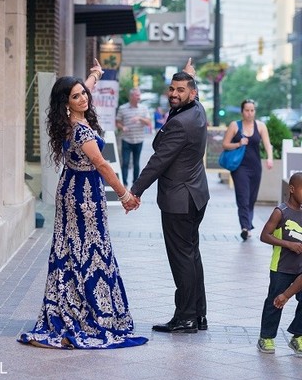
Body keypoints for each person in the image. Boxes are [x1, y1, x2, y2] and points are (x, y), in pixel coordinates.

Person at [18, 59, 147, 350]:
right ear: (67, 103)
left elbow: (81, 92)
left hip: (71, 188)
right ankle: (88, 313)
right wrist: (125, 195)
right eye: (76, 96)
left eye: (83, 93)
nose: (84, 97)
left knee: (71, 249)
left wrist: (93, 76)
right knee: (89, 251)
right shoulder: (81, 132)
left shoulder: (67, 120)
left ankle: (72, 304)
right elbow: (101, 164)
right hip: (84, 196)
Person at [131, 59, 210, 334]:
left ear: (193, 93)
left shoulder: (181, 123)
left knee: (182, 260)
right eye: (172, 89)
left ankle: (186, 317)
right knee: (191, 256)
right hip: (196, 196)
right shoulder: (198, 111)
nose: (174, 94)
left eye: (181, 90)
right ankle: (198, 315)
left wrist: (134, 192)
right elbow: (188, 90)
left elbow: (158, 161)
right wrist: (189, 75)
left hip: (180, 201)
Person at [257, 172, 302, 356]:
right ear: (292, 189)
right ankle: (266, 337)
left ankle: (298, 336)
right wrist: (288, 244)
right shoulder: (280, 212)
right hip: (281, 267)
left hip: (300, 268)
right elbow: (264, 236)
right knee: (275, 301)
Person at [222, 99, 273, 241]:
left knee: (252, 198)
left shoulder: (261, 126)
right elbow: (225, 144)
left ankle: (248, 224)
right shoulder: (235, 125)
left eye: (252, 110)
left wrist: (269, 158)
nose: (249, 113)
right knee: (243, 197)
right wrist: (238, 143)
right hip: (240, 167)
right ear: (242, 111)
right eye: (247, 110)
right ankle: (245, 227)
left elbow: (268, 145)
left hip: (255, 166)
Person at [116, 88, 152, 187]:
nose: (139, 97)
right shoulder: (123, 108)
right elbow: (117, 122)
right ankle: (124, 183)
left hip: (139, 139)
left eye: (139, 95)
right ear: (131, 97)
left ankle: (135, 184)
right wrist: (122, 127)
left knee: (136, 163)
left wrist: (140, 118)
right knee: (125, 162)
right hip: (126, 139)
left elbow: (149, 123)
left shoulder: (144, 108)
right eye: (137, 95)